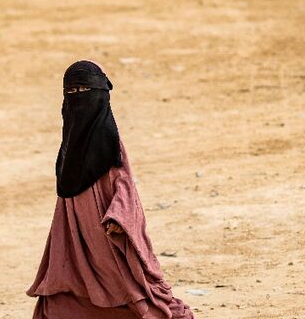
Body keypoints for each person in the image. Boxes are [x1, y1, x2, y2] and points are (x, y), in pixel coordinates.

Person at [28, 61, 194, 319]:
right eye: (71, 92)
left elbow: (123, 180)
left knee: (122, 279)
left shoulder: (107, 136)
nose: (78, 97)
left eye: (85, 89)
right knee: (72, 277)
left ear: (101, 93)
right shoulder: (69, 142)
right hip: (74, 228)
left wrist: (119, 215)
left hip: (106, 224)